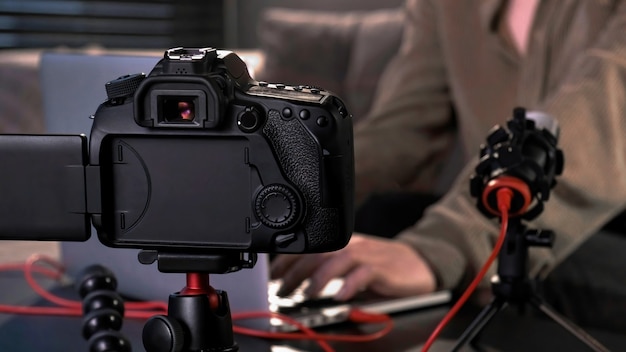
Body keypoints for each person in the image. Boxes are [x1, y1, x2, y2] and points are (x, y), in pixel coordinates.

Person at [271, 0, 626, 329]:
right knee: (365, 224)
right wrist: (285, 198)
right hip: (505, 215)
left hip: (607, 227)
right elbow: (404, 126)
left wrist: (442, 248)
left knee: (511, 277)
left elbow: (601, 110)